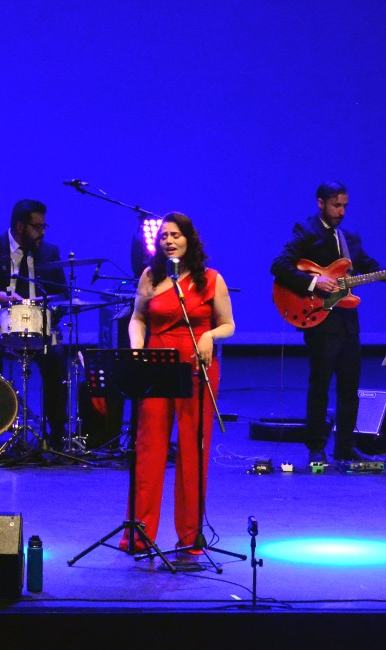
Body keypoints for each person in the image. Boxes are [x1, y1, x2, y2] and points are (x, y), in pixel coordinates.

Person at [271, 181, 386, 466]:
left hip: (348, 323)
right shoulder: (306, 231)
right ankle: (316, 448)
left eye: (344, 206)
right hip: (319, 320)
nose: (341, 211)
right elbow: (279, 265)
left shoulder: (350, 238)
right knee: (320, 387)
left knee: (350, 390)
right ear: (320, 203)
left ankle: (344, 447)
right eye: (335, 205)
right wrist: (315, 282)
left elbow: (372, 269)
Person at [125, 212, 234, 556]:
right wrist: (137, 349)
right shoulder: (151, 276)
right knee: (149, 449)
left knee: (192, 452)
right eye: (164, 236)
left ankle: (190, 536)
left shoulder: (211, 279)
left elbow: (228, 324)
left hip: (197, 367)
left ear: (189, 239)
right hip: (157, 366)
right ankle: (140, 534)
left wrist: (209, 335)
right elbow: (137, 318)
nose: (169, 241)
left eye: (175, 235)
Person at [0, 198, 70, 449]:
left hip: (37, 331)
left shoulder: (49, 253)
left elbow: (63, 295)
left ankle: (56, 434)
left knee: (56, 356)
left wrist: (49, 314)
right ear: (20, 227)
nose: (42, 232)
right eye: (37, 227)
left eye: (44, 227)